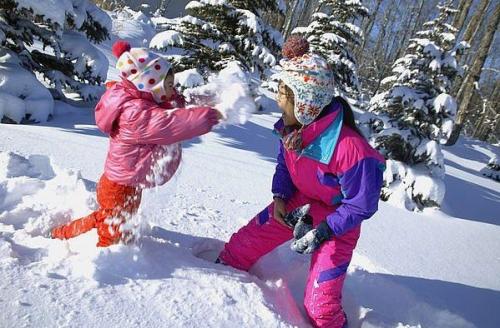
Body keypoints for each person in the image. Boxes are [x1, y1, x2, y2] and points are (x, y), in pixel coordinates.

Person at [217, 36, 385, 328]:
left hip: (337, 222)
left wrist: (324, 231)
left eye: (284, 92)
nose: (278, 98)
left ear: (306, 103)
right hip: (300, 205)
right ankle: (212, 283)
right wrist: (281, 196)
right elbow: (286, 164)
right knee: (240, 246)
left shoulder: (352, 150)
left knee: (320, 308)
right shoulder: (292, 130)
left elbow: (361, 204)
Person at [51, 40, 221, 247]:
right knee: (112, 232)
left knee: (113, 218)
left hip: (127, 182)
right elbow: (171, 123)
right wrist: (211, 116)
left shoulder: (143, 99)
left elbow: (174, 104)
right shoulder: (136, 114)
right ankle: (103, 258)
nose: (172, 89)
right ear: (150, 84)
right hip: (119, 187)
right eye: (168, 85)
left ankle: (64, 233)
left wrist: (209, 98)